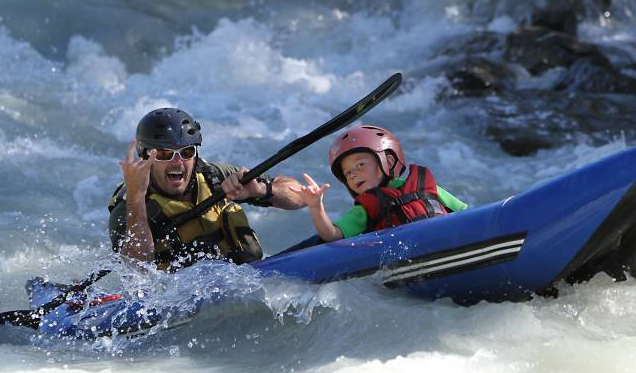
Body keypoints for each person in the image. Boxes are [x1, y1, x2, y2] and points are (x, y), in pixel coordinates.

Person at [108, 107, 305, 271]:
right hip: (178, 301)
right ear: (145, 157)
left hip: (242, 282)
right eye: (164, 153)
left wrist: (261, 191)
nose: (178, 161)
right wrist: (136, 197)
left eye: (186, 151)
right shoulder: (128, 207)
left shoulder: (215, 176)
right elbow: (135, 273)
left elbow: (302, 196)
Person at [293, 125, 467, 242]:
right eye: (347, 173)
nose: (353, 174)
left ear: (389, 162)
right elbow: (332, 235)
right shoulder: (364, 210)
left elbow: (466, 214)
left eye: (360, 165)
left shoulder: (425, 187)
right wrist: (316, 207)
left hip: (448, 242)